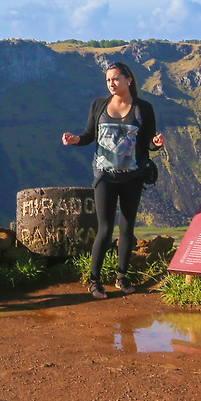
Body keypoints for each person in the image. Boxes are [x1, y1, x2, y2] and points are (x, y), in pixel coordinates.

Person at [62, 61, 165, 299]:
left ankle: (122, 277)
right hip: (104, 177)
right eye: (108, 80)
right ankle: (95, 281)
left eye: (116, 79)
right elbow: (89, 135)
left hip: (133, 177)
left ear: (129, 79)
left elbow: (148, 141)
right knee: (105, 229)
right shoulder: (99, 105)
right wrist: (75, 139)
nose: (111, 84)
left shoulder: (143, 107)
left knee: (127, 228)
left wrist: (155, 144)